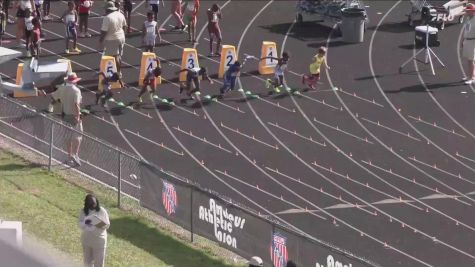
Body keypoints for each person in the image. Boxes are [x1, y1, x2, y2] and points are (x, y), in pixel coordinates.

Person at [50, 72, 83, 166]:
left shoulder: (62, 88)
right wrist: (78, 116)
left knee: (67, 136)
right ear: (75, 81)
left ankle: (69, 156)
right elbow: (76, 104)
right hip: (73, 115)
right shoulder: (76, 91)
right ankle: (75, 154)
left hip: (65, 115)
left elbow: (53, 96)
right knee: (78, 135)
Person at [78, 194, 110, 267]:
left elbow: (107, 225)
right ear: (87, 203)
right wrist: (86, 222)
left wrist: (98, 223)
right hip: (87, 240)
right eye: (90, 204)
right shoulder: (83, 211)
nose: (93, 206)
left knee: (99, 263)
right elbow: (80, 223)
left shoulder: (102, 211)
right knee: (87, 262)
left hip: (99, 241)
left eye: (94, 203)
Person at [99, 1, 127, 85]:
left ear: (108, 9)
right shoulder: (120, 14)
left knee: (112, 57)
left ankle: (116, 76)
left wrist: (100, 41)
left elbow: (104, 31)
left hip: (112, 39)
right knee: (118, 56)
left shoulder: (107, 18)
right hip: (121, 37)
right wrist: (122, 35)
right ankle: (119, 74)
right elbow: (124, 26)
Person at [462, 4, 475, 84]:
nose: (467, 12)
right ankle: (469, 75)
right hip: (467, 41)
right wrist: (462, 41)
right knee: (469, 60)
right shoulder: (467, 19)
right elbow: (466, 30)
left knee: (471, 60)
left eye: (468, 11)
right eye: (466, 11)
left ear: (473, 11)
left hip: (472, 42)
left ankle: (472, 77)